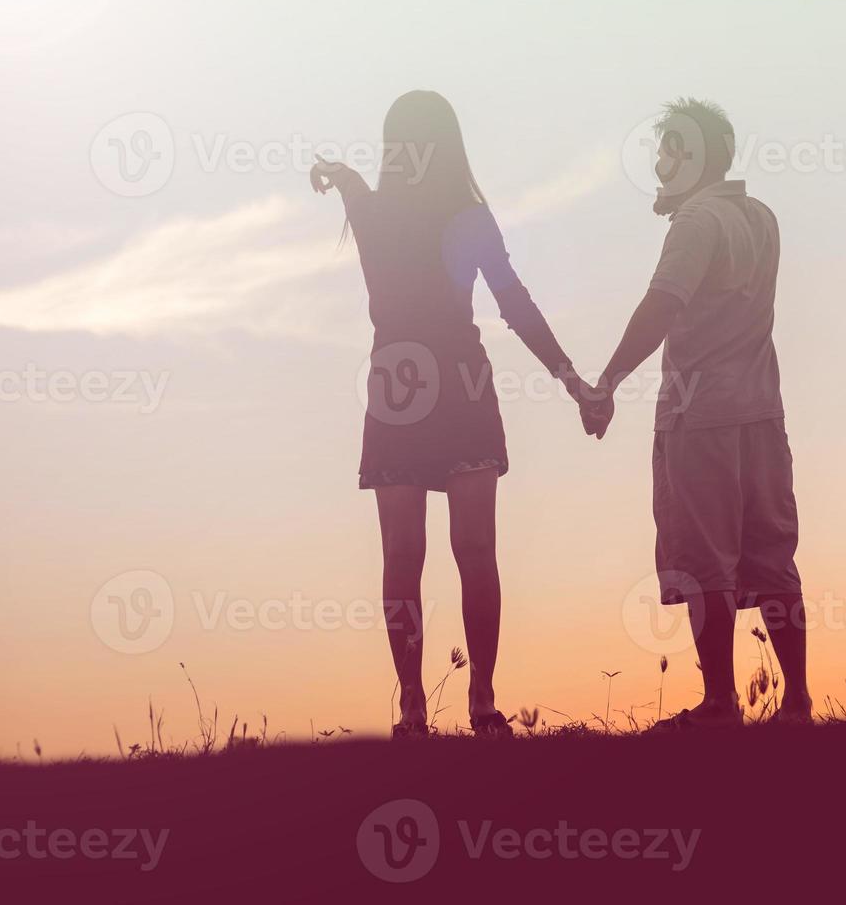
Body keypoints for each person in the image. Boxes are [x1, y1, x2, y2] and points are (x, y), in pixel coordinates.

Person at [311, 90, 601, 740]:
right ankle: (436, 703)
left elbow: (513, 302)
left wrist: (571, 379)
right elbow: (515, 304)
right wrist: (573, 380)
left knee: (448, 551)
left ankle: (464, 700)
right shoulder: (392, 211)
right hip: (416, 387)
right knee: (426, 551)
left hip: (435, 386)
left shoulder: (452, 216)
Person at [584, 98, 811, 728]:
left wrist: (604, 384)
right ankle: (796, 702)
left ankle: (719, 703)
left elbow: (662, 306)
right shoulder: (760, 217)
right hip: (763, 415)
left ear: (689, 157)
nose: (657, 166)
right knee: (772, 556)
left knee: (706, 557)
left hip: (701, 417)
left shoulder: (695, 222)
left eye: (665, 153)